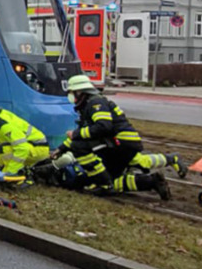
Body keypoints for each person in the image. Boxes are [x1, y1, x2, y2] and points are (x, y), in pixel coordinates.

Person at [54, 75, 183, 200]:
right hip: (121, 142)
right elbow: (83, 132)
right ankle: (153, 180)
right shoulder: (89, 105)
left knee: (80, 148)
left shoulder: (95, 103)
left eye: (72, 93)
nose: (71, 97)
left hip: (120, 142)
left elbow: (103, 126)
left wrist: (76, 135)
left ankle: (104, 184)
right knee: (125, 173)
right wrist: (60, 149)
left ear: (80, 92)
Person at [0, 100, 50, 176]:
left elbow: (22, 148)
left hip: (38, 148)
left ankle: (15, 174)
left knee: (3, 148)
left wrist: (10, 171)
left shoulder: (4, 125)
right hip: (31, 146)